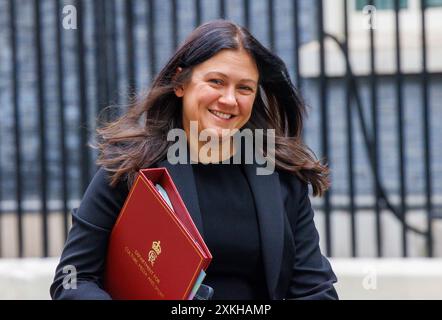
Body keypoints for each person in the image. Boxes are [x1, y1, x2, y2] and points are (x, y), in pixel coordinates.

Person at [50, 19, 338, 300]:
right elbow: (73, 279)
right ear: (180, 83)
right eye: (216, 81)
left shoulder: (283, 177)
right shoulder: (131, 166)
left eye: (244, 88)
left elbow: (314, 288)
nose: (229, 99)